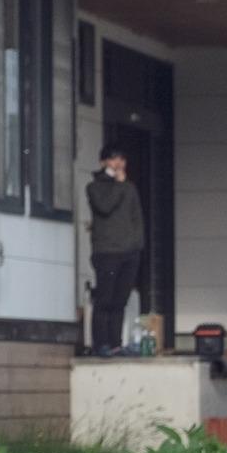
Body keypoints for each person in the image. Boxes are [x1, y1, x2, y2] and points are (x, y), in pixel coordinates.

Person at [85, 144, 144, 356]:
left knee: (120, 301)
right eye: (113, 159)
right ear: (103, 162)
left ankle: (116, 343)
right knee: (105, 299)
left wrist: (137, 244)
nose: (118, 163)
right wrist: (118, 184)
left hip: (129, 251)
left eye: (121, 159)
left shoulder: (130, 188)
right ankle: (101, 344)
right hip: (107, 251)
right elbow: (104, 207)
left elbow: (137, 217)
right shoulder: (94, 187)